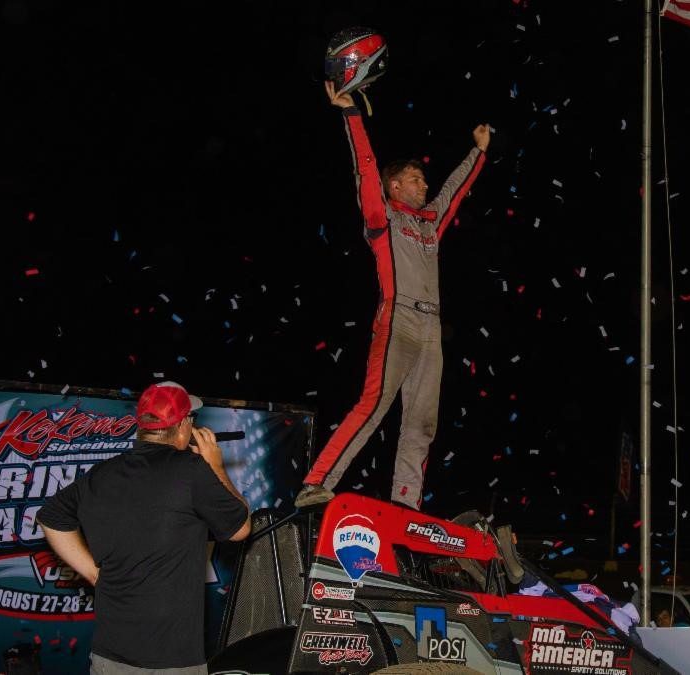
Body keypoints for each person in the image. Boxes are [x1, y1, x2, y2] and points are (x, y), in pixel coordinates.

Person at [295, 80, 490, 510]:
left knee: (422, 423)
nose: (424, 185)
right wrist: (351, 115)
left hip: (432, 328)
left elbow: (454, 191)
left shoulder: (429, 226)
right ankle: (316, 482)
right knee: (374, 403)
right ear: (395, 188)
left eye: (424, 179)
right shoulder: (382, 219)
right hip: (397, 317)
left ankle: (406, 506)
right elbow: (365, 168)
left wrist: (478, 151)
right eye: (415, 179)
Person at [38, 381, 252, 674]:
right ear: (183, 426)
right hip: (173, 662)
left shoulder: (104, 473)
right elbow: (240, 527)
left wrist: (92, 572)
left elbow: (50, 517)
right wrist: (215, 466)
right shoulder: (192, 470)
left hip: (109, 656)